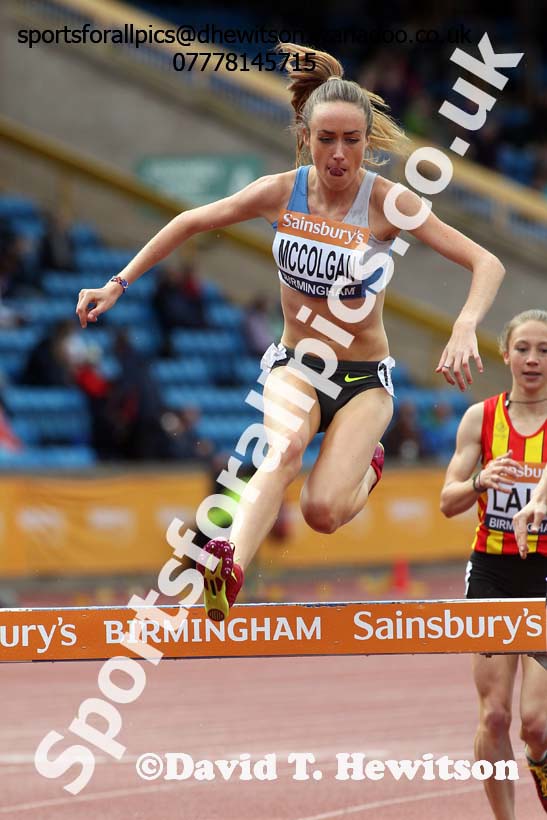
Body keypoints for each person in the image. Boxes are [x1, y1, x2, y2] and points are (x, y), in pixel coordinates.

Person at [76, 43, 505, 623]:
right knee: (281, 450)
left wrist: (465, 324)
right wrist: (117, 284)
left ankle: (368, 468)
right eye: (326, 139)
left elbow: (486, 262)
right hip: (296, 365)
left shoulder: (388, 203)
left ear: (367, 142)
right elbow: (189, 221)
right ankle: (228, 565)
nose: (339, 154)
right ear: (306, 137)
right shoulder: (280, 192)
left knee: (322, 513)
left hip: (363, 381)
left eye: (352, 140)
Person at [440, 309, 547, 819]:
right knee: (496, 715)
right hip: (492, 572)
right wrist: (480, 480)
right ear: (505, 354)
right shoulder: (479, 419)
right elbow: (447, 500)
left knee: (536, 724)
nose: (533, 359)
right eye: (523, 348)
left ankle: (541, 765)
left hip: (544, 575)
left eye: (544, 350)